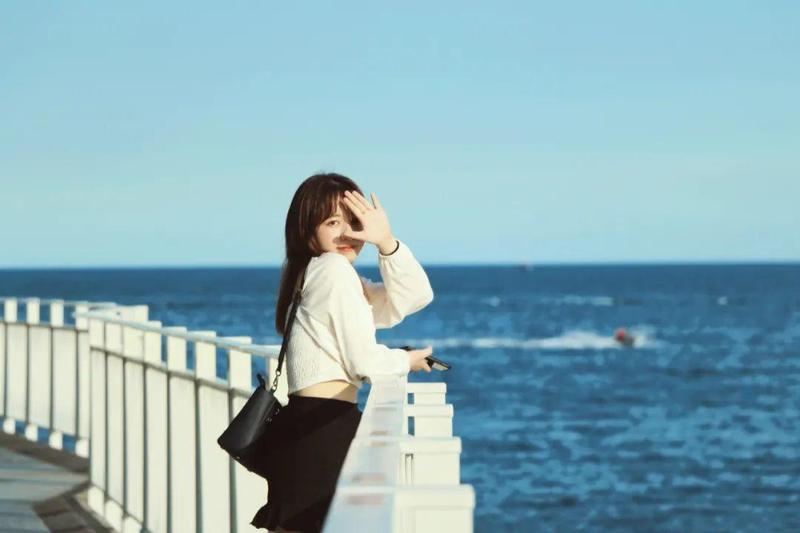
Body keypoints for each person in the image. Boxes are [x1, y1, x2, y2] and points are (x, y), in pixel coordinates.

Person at [250, 173, 435, 533]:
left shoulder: (319, 272)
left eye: (354, 221)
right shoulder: (333, 271)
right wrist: (405, 361)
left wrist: (386, 242)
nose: (348, 233)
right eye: (333, 222)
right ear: (308, 230)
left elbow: (413, 297)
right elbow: (363, 362)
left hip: (309, 425)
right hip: (323, 428)